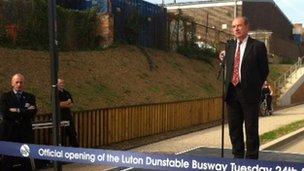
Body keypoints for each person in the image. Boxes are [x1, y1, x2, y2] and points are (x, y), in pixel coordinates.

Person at [221, 17, 269, 159]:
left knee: (251, 129)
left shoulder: (258, 46)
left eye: (239, 26)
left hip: (249, 93)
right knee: (234, 129)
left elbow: (264, 70)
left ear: (247, 27)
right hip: (232, 92)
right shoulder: (229, 46)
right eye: (233, 26)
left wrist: (253, 85)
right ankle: (237, 156)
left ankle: (251, 159)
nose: (236, 29)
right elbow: (229, 66)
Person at [0, 73, 37, 170]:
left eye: (21, 82)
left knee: (25, 158)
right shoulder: (5, 96)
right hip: (10, 132)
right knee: (8, 159)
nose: (19, 84)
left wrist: (17, 110)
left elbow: (32, 112)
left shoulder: (30, 97)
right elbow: (5, 113)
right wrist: (24, 110)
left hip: (24, 132)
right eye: (16, 82)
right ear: (12, 83)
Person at [57, 78, 79, 147]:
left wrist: (65, 104)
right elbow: (58, 104)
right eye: (60, 83)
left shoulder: (67, 93)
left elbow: (72, 104)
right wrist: (67, 102)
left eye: (63, 83)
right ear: (57, 84)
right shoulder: (55, 93)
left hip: (68, 116)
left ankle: (75, 149)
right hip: (60, 116)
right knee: (62, 134)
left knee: (72, 133)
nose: (62, 84)